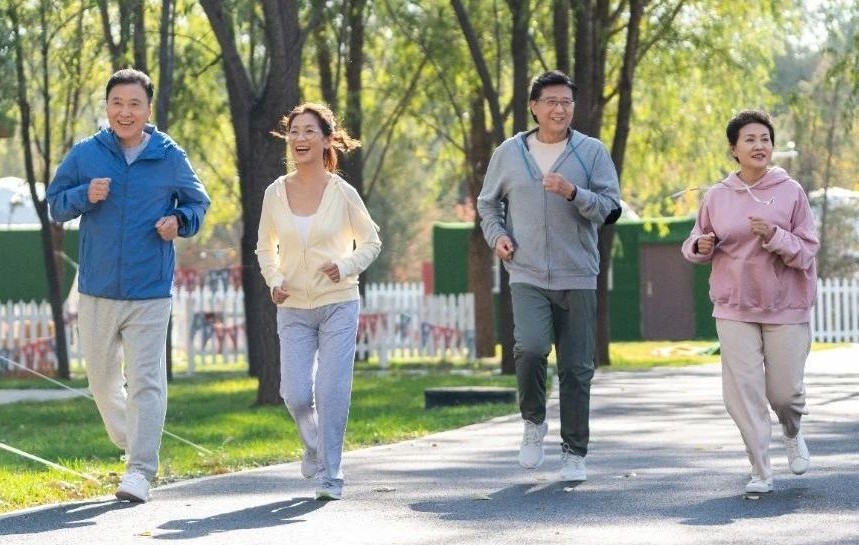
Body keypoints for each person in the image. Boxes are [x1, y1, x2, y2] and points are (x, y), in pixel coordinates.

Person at [47, 68, 210, 502]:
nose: (125, 111)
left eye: (134, 104)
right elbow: (55, 205)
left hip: (150, 289)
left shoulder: (169, 156)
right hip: (97, 288)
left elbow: (198, 203)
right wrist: (84, 195)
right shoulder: (86, 154)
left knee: (146, 382)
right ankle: (134, 437)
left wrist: (179, 221)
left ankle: (140, 469)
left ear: (148, 110)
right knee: (102, 384)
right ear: (107, 107)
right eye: (117, 103)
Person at [477, 70, 621, 482]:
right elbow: (488, 204)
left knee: (576, 368)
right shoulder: (509, 153)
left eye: (567, 102)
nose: (560, 109)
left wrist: (574, 193)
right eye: (551, 102)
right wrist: (498, 236)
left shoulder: (591, 152)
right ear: (534, 107)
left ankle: (574, 452)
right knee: (531, 347)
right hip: (526, 271)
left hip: (578, 274)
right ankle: (533, 421)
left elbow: (611, 209)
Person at [681, 109, 818, 494]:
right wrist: (700, 245)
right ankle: (760, 470)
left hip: (785, 305)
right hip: (734, 306)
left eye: (765, 139)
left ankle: (791, 429)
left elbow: (807, 251)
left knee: (785, 394)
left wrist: (774, 235)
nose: (760, 146)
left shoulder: (791, 192)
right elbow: (695, 242)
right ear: (734, 149)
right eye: (750, 140)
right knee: (743, 393)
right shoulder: (717, 196)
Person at [256, 102, 381, 501]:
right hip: (292, 305)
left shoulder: (342, 193)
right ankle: (314, 447)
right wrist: (274, 279)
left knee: (331, 390)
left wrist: (345, 265)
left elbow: (372, 242)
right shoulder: (275, 193)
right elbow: (264, 248)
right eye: (294, 131)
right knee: (294, 393)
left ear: (327, 140)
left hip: (338, 303)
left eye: (309, 131)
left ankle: (331, 473)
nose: (300, 138)